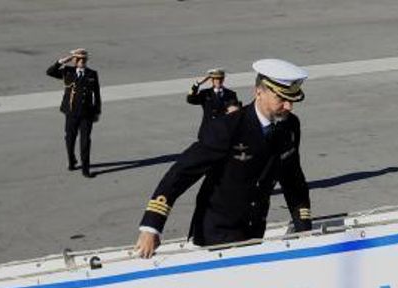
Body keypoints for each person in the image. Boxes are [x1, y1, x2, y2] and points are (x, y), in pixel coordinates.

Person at [134, 59, 313, 258]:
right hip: (217, 234)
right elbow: (181, 173)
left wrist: (304, 229)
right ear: (259, 92)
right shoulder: (228, 128)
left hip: (254, 230)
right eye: (282, 99)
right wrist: (151, 227)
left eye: (292, 100)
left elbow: (293, 180)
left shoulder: (289, 126)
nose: (289, 107)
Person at [46, 48, 102, 178]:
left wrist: (97, 111)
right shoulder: (68, 71)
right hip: (71, 112)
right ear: (75, 60)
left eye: (84, 59)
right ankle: (72, 160)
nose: (82, 61)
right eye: (79, 59)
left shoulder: (92, 74)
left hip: (87, 113)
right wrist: (63, 61)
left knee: (85, 141)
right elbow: (50, 72)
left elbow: (97, 94)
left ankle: (85, 169)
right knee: (70, 139)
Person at [186, 68, 238, 141]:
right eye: (216, 79)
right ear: (212, 80)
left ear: (223, 79)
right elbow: (190, 99)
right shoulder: (205, 93)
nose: (218, 81)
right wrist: (197, 84)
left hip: (223, 131)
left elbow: (235, 112)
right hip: (207, 131)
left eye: (220, 79)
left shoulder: (230, 94)